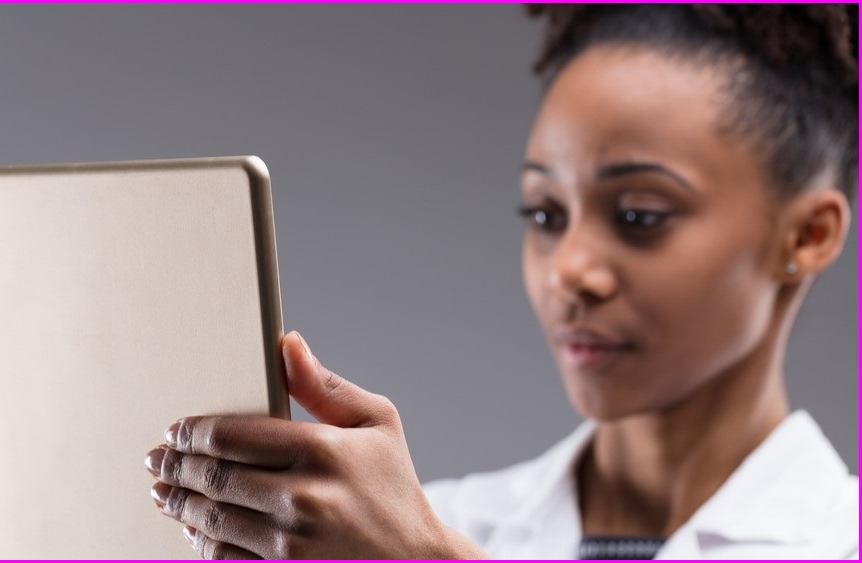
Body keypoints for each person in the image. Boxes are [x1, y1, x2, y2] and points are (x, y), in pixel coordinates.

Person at [144, 5, 859, 559]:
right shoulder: (424, 519)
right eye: (546, 212)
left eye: (641, 214)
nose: (569, 268)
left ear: (809, 234)